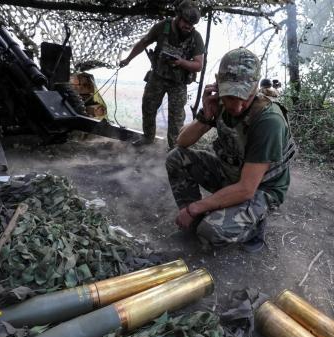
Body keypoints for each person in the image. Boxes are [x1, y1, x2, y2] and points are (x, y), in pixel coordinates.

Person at [166, 48, 296, 253]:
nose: (236, 107)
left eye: (245, 96)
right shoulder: (216, 101)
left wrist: (194, 207)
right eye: (230, 97)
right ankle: (199, 219)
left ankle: (254, 226)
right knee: (176, 159)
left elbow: (246, 188)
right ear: (218, 84)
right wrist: (206, 118)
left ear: (255, 87)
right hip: (231, 173)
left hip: (260, 189)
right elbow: (181, 143)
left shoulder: (268, 120)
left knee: (210, 232)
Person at [119, 0, 204, 149]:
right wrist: (128, 59)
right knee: (148, 107)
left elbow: (198, 65)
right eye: (186, 22)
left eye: (192, 25)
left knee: (176, 118)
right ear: (178, 16)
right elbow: (143, 43)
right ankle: (147, 138)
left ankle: (174, 149)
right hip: (157, 77)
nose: (188, 27)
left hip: (178, 84)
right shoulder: (162, 27)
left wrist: (181, 62)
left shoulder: (195, 37)